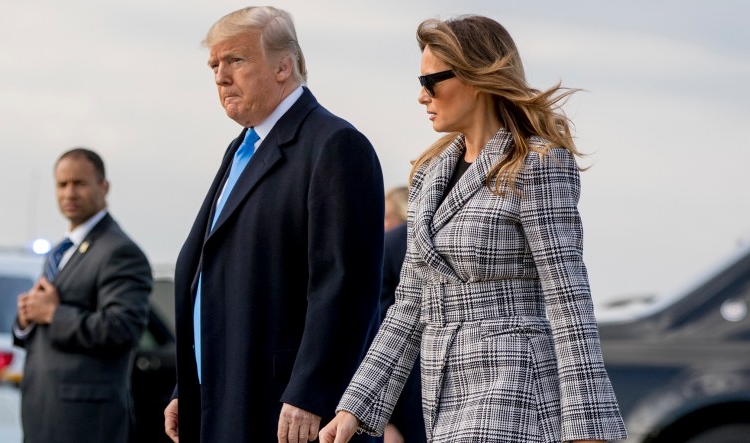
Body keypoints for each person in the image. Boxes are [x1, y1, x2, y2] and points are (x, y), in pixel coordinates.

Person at [320, 15, 627, 443]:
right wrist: (354, 407)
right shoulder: (429, 173)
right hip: (444, 394)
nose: (421, 96)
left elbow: (567, 296)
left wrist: (588, 428)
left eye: (431, 82)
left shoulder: (537, 164)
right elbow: (409, 306)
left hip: (518, 387)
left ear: (476, 76)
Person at [163, 6, 384, 443]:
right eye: (214, 65)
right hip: (224, 397)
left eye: (236, 61)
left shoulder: (335, 146)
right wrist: (188, 386)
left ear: (284, 65)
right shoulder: (241, 148)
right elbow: (215, 278)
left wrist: (313, 392)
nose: (221, 77)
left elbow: (346, 287)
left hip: (285, 408)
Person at [13, 148, 153, 443]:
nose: (69, 193)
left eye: (79, 183)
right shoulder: (60, 250)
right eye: (62, 185)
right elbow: (43, 323)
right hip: (43, 413)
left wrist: (53, 314)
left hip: (86, 422)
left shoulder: (119, 251)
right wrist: (26, 319)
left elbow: (122, 328)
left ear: (103, 187)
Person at [380, 187, 426, 443]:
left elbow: (383, 334)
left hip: (405, 400)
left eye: (387, 216)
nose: (382, 224)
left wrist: (385, 420)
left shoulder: (391, 246)